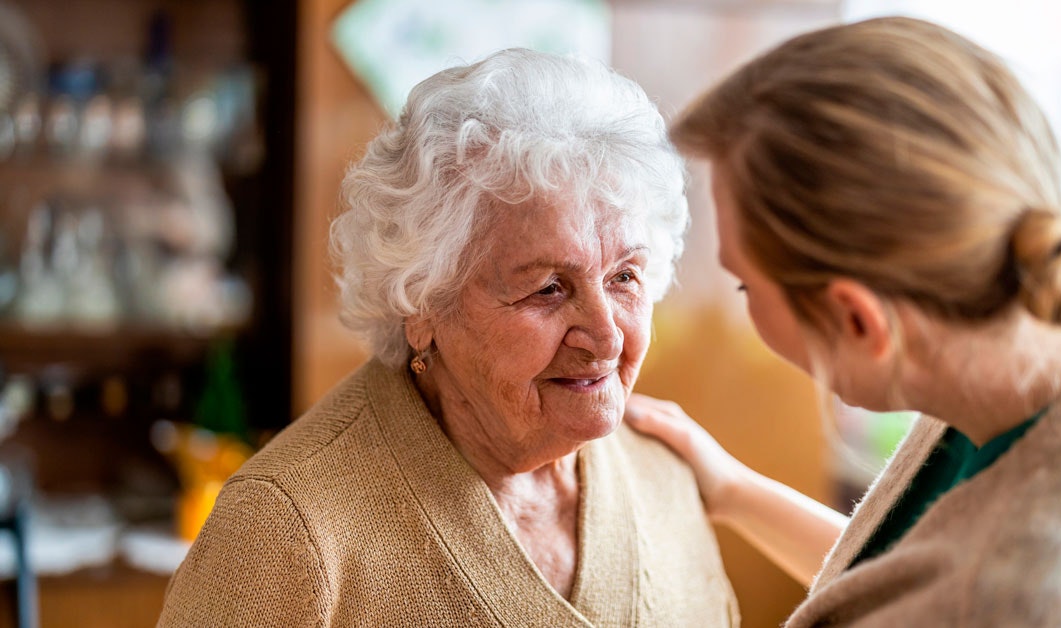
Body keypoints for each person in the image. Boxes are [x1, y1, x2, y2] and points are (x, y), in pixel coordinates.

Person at [625, 16, 1061, 627]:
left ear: (858, 319)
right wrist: (734, 491)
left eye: (744, 283)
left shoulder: (1032, 598)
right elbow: (906, 578)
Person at [158, 48, 739, 627]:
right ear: (421, 303)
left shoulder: (665, 473)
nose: (606, 338)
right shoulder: (284, 529)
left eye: (624, 278)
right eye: (547, 289)